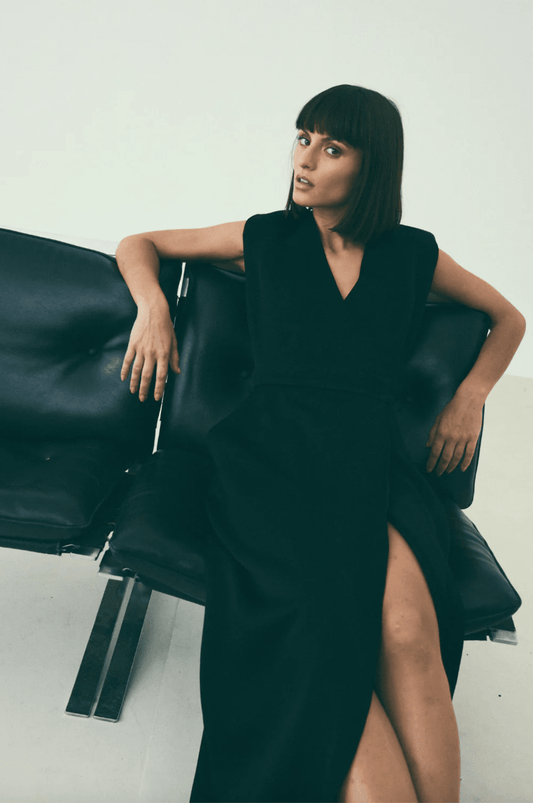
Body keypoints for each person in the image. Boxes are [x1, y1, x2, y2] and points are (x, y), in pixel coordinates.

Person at [115, 85, 526, 803]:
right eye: (303, 138)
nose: (304, 159)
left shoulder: (412, 254)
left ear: (372, 165)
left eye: (331, 147)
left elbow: (508, 317)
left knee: (408, 627)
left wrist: (470, 397)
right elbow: (139, 243)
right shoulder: (265, 238)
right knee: (320, 634)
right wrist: (154, 308)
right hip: (267, 462)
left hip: (371, 463)